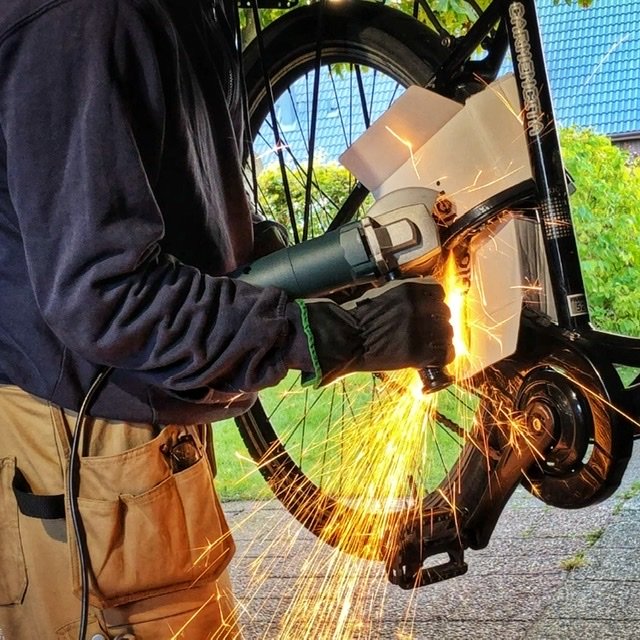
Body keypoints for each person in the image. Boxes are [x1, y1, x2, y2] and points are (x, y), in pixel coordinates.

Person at [0, 0, 454, 638]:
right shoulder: (85, 19)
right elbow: (102, 291)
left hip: (147, 417)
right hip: (83, 440)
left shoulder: (198, 10)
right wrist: (325, 336)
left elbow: (183, 209)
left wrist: (321, 278)